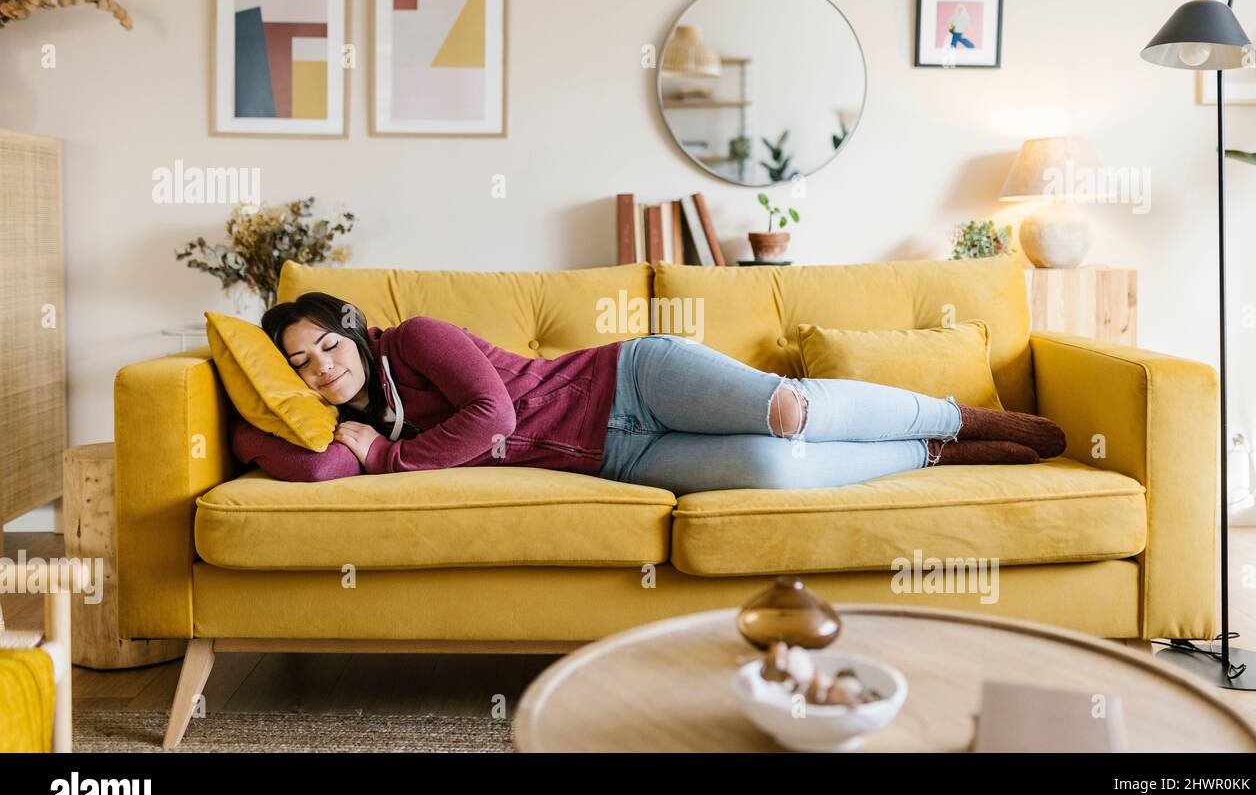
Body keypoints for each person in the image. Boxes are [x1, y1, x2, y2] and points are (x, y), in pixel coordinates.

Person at [231, 291, 1066, 492]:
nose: (318, 370)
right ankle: (935, 451)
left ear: (352, 328)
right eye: (299, 366)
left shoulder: (415, 339)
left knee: (788, 412)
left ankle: (966, 416)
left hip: (632, 377)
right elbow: (309, 471)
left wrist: (389, 458)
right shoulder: (345, 418)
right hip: (619, 455)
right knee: (779, 475)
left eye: (325, 346)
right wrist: (243, 434)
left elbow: (497, 416)